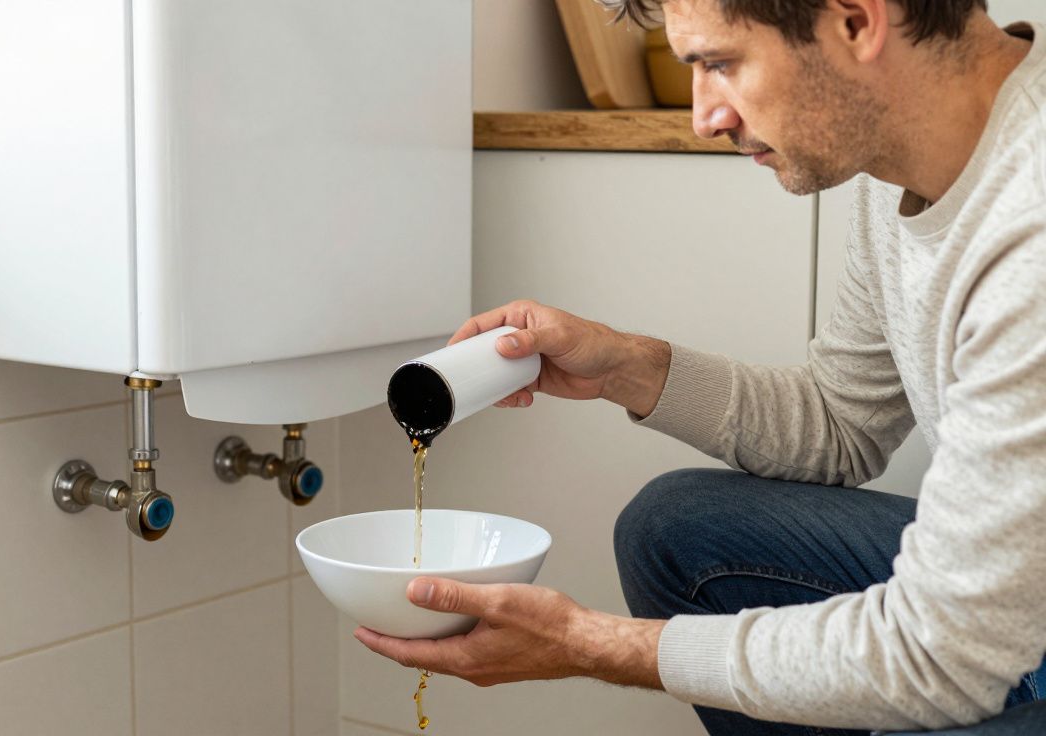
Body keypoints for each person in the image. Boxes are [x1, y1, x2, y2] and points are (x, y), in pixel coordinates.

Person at [352, 0, 1046, 733]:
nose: (704, 117)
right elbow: (843, 425)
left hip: (977, 639)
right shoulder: (908, 153)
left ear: (855, 20)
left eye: (720, 63)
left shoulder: (1028, 223)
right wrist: (624, 366)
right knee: (677, 529)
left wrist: (589, 645)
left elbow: (940, 659)